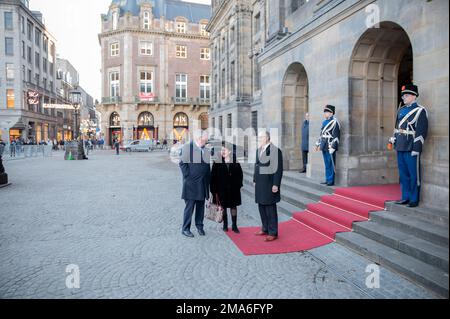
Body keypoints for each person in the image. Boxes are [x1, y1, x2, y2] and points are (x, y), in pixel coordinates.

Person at [391, 84, 428, 208]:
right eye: (403, 96)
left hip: (411, 146)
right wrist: (393, 140)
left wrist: (417, 149)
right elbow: (397, 128)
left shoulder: (420, 110)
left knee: (413, 174)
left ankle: (414, 198)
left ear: (414, 96)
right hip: (400, 145)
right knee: (403, 174)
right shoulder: (401, 110)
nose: (404, 98)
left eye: (406, 95)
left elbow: (421, 131)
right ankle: (405, 197)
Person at [179, 130, 211, 238]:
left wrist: (209, 181)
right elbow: (182, 163)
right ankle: (185, 229)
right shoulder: (188, 147)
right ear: (199, 138)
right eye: (205, 139)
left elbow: (207, 167)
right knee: (190, 207)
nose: (206, 141)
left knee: (201, 207)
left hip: (202, 184)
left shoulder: (206, 150)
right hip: (191, 184)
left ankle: (199, 226)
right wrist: (188, 176)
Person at [253, 131, 284, 242]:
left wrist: (276, 184)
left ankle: (273, 232)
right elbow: (256, 166)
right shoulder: (259, 150)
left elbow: (278, 169)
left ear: (267, 137)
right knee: (261, 206)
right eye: (259, 137)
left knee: (270, 208)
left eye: (261, 137)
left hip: (270, 184)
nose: (259, 139)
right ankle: (265, 228)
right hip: (260, 184)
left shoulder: (275, 151)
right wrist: (254, 179)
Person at [210, 142, 243, 233]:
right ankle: (225, 225)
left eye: (224, 150)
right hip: (221, 189)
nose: (222, 151)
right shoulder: (217, 161)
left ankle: (234, 225)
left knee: (233, 207)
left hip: (233, 189)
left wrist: (239, 185)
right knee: (223, 207)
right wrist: (213, 190)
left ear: (230, 151)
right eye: (221, 150)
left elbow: (240, 174)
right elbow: (213, 176)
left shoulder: (235, 160)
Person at [315, 105, 341, 186]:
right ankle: (327, 179)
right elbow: (321, 134)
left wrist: (333, 146)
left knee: (330, 163)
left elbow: (336, 136)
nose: (325, 114)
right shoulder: (324, 122)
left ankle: (331, 180)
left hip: (330, 145)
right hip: (324, 144)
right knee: (326, 163)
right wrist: (318, 144)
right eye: (325, 112)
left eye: (326, 112)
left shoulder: (335, 122)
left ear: (331, 113)